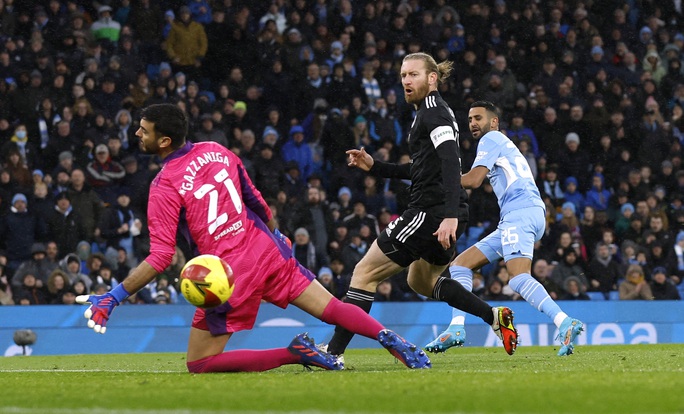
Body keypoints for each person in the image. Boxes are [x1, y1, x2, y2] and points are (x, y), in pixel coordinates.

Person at [77, 103, 431, 373]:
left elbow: (160, 256)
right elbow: (258, 202)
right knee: (333, 308)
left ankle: (293, 353)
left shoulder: (164, 185)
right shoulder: (218, 150)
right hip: (266, 248)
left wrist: (114, 296)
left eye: (143, 130)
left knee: (199, 363)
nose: (138, 134)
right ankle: (391, 338)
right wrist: (276, 237)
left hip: (228, 272)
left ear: (164, 140)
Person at [324, 53, 518, 361]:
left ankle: (333, 353)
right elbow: (424, 168)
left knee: (364, 273)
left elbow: (451, 165)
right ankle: (494, 317)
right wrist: (376, 167)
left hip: (432, 213)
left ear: (432, 79)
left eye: (413, 75)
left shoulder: (433, 113)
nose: (406, 81)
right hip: (445, 213)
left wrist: (449, 216)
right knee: (421, 281)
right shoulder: (433, 112)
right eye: (403, 76)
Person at [425, 101, 584, 357]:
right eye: (469, 119)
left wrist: (436, 179)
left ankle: (564, 321)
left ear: (494, 121)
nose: (473, 123)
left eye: (478, 117)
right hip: (521, 213)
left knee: (519, 278)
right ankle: (456, 328)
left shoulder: (491, 139)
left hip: (520, 213)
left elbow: (474, 180)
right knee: (460, 265)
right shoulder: (501, 144)